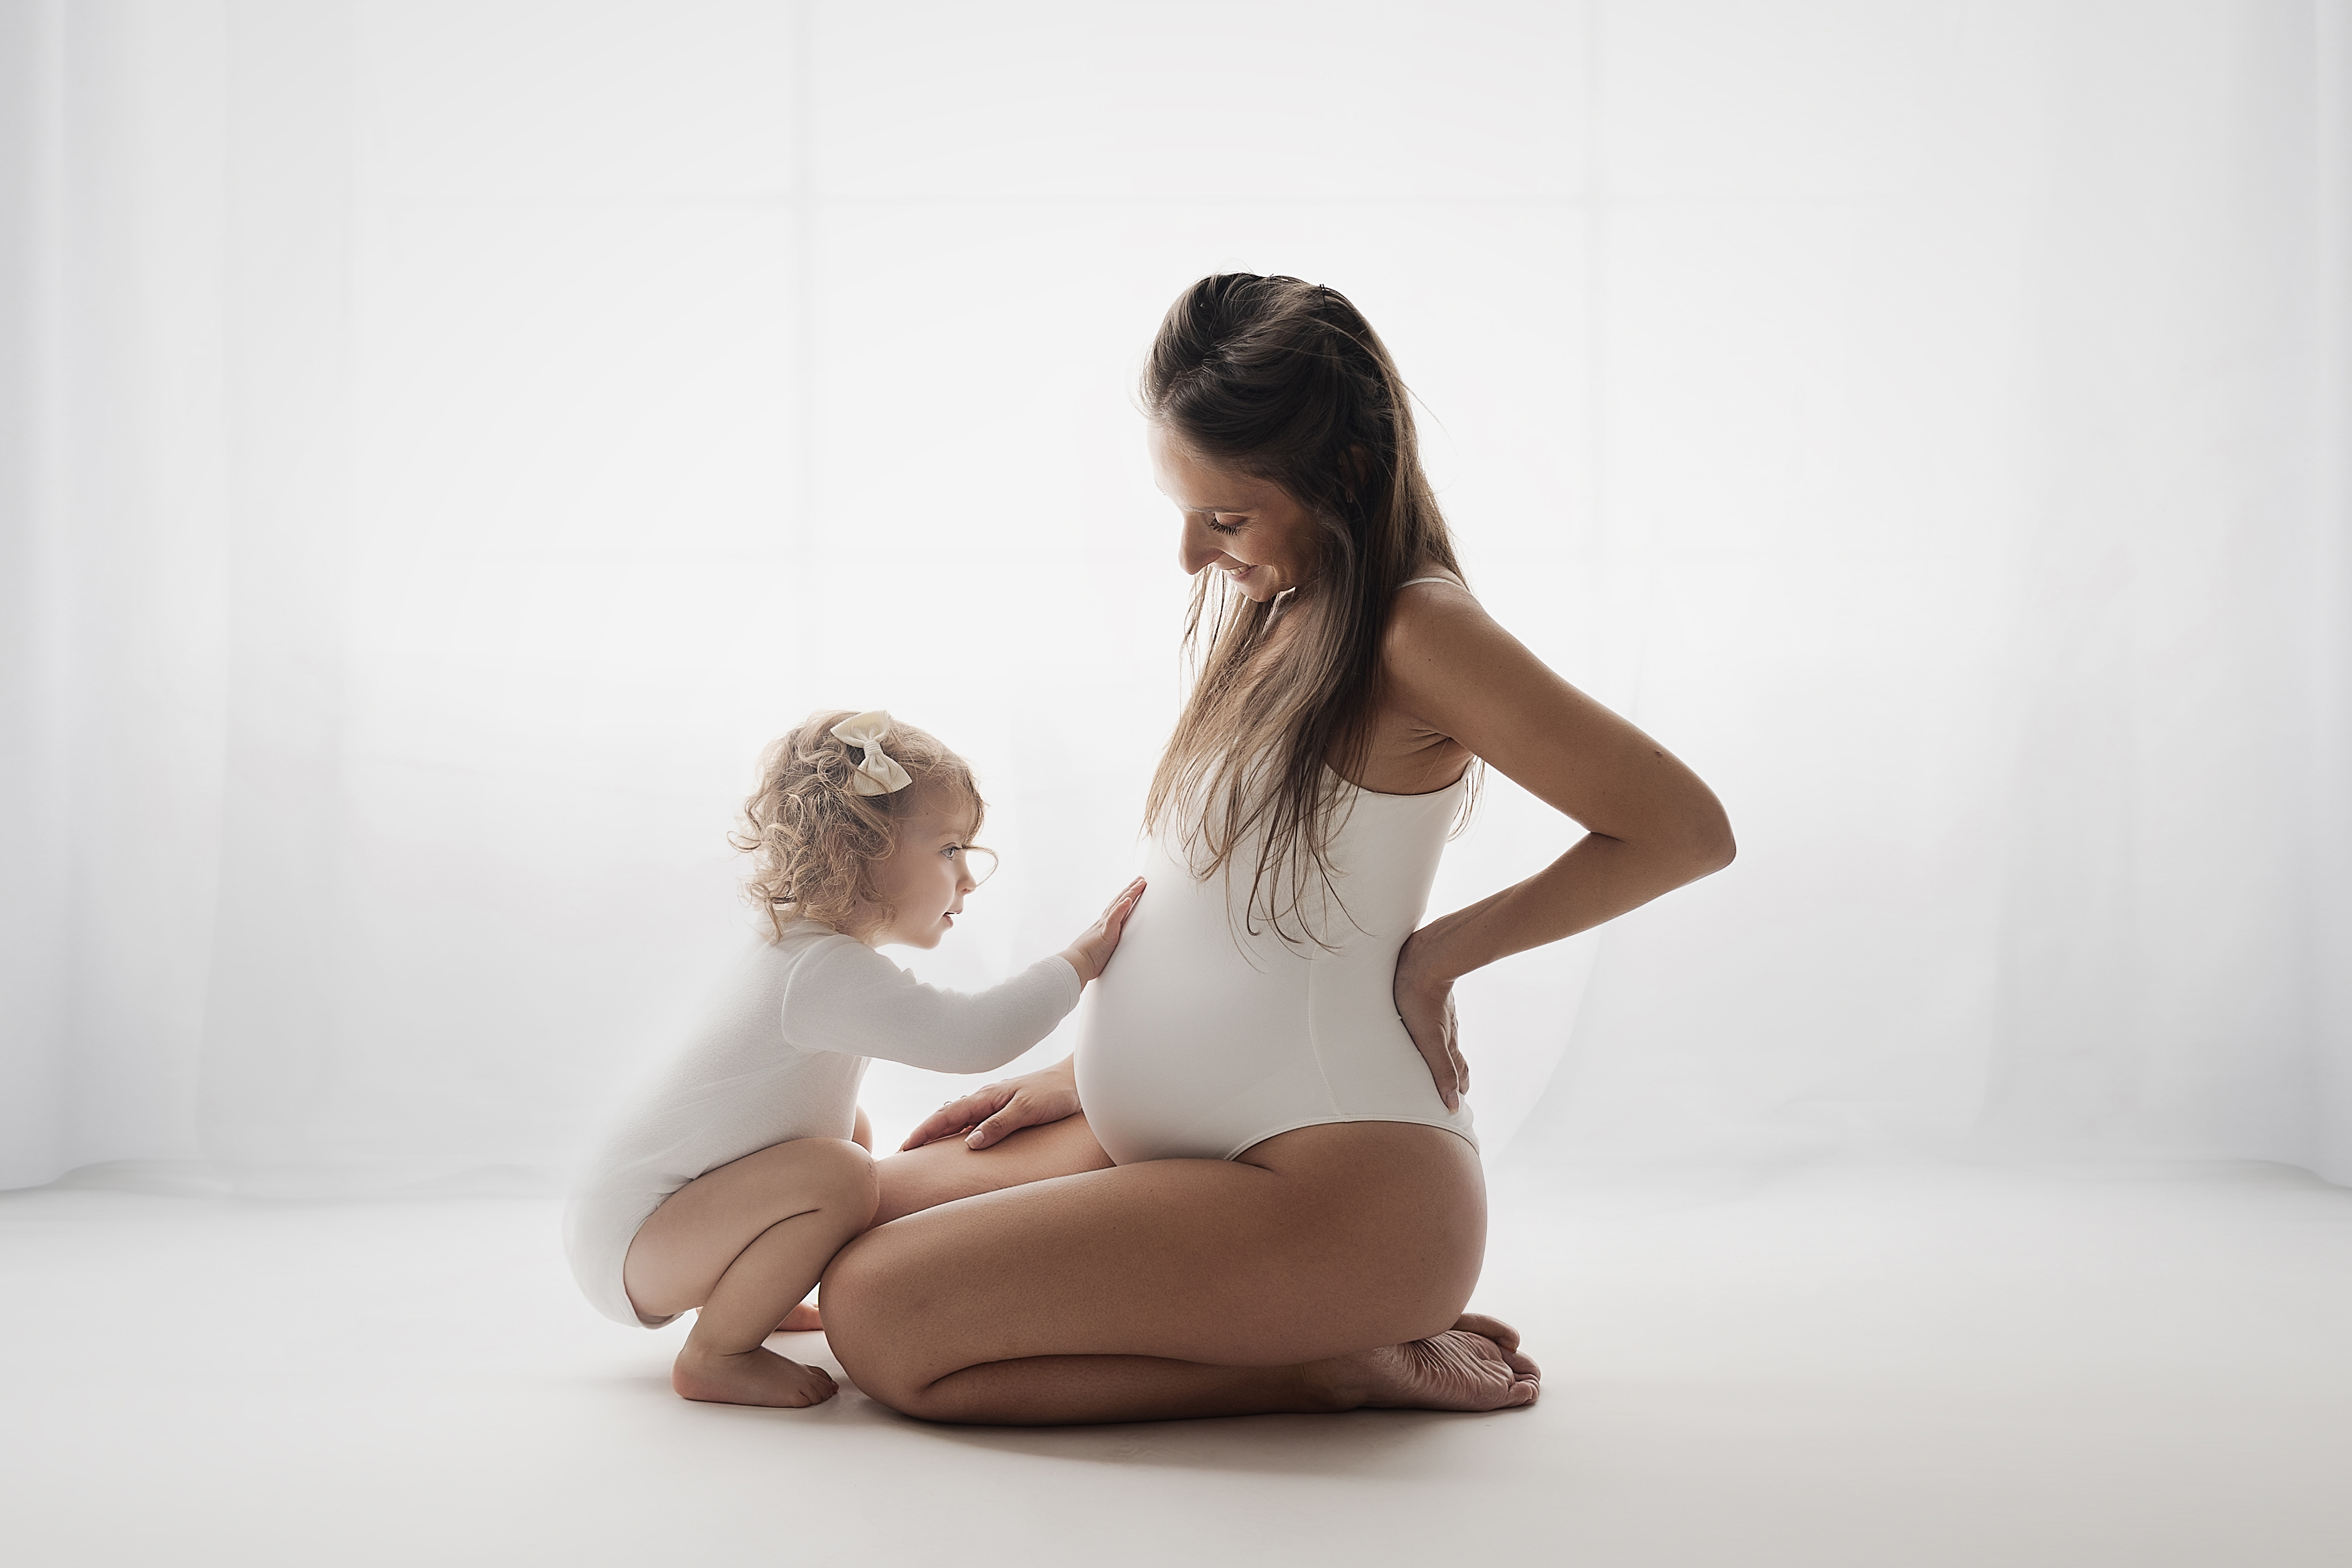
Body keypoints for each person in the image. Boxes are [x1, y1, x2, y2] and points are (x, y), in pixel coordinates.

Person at [823, 274, 1737, 1426]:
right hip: (1174, 1135)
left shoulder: (1416, 628)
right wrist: (1085, 1070)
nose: (1189, 556)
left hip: (1339, 1194)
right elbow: (1217, 905)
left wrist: (1437, 957)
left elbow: (1682, 829)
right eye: (1183, 511)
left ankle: (1328, 1359)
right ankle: (1300, 1325)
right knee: (829, 1214)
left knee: (876, 1316)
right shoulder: (1289, 605)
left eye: (1223, 517)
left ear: (1343, 474)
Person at [561, 709, 1144, 1408]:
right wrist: (1079, 962)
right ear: (856, 850)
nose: (968, 877)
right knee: (840, 1174)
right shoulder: (821, 971)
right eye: (949, 849)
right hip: (635, 1247)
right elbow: (970, 1036)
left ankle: (758, 1294)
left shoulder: (799, 948)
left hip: (632, 1230)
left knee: (849, 1132)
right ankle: (715, 1352)